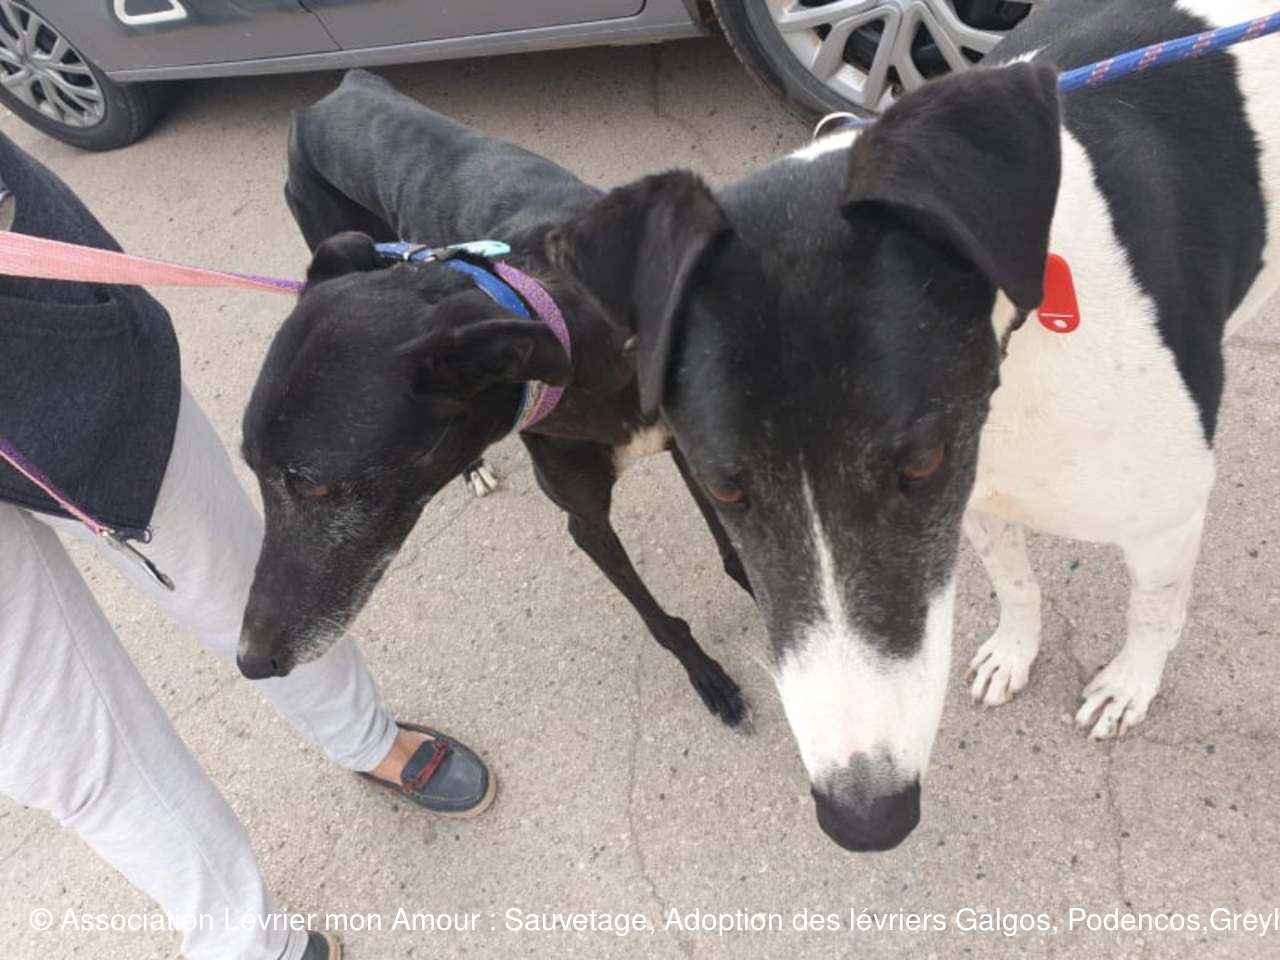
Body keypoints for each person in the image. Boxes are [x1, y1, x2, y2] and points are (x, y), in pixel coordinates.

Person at [0, 133, 495, 960]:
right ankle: (246, 942)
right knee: (59, 754)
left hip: (52, 362)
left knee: (242, 582)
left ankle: (363, 736)